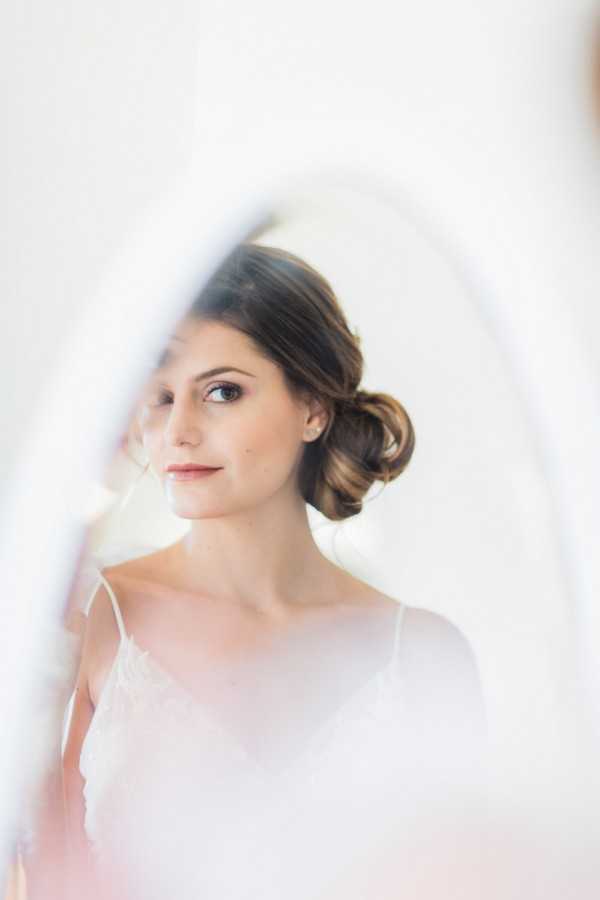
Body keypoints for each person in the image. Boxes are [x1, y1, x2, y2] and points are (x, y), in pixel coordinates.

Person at [60, 242, 486, 900]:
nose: (178, 430)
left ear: (312, 408)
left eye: (222, 392)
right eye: (160, 398)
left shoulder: (427, 657)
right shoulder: (94, 623)